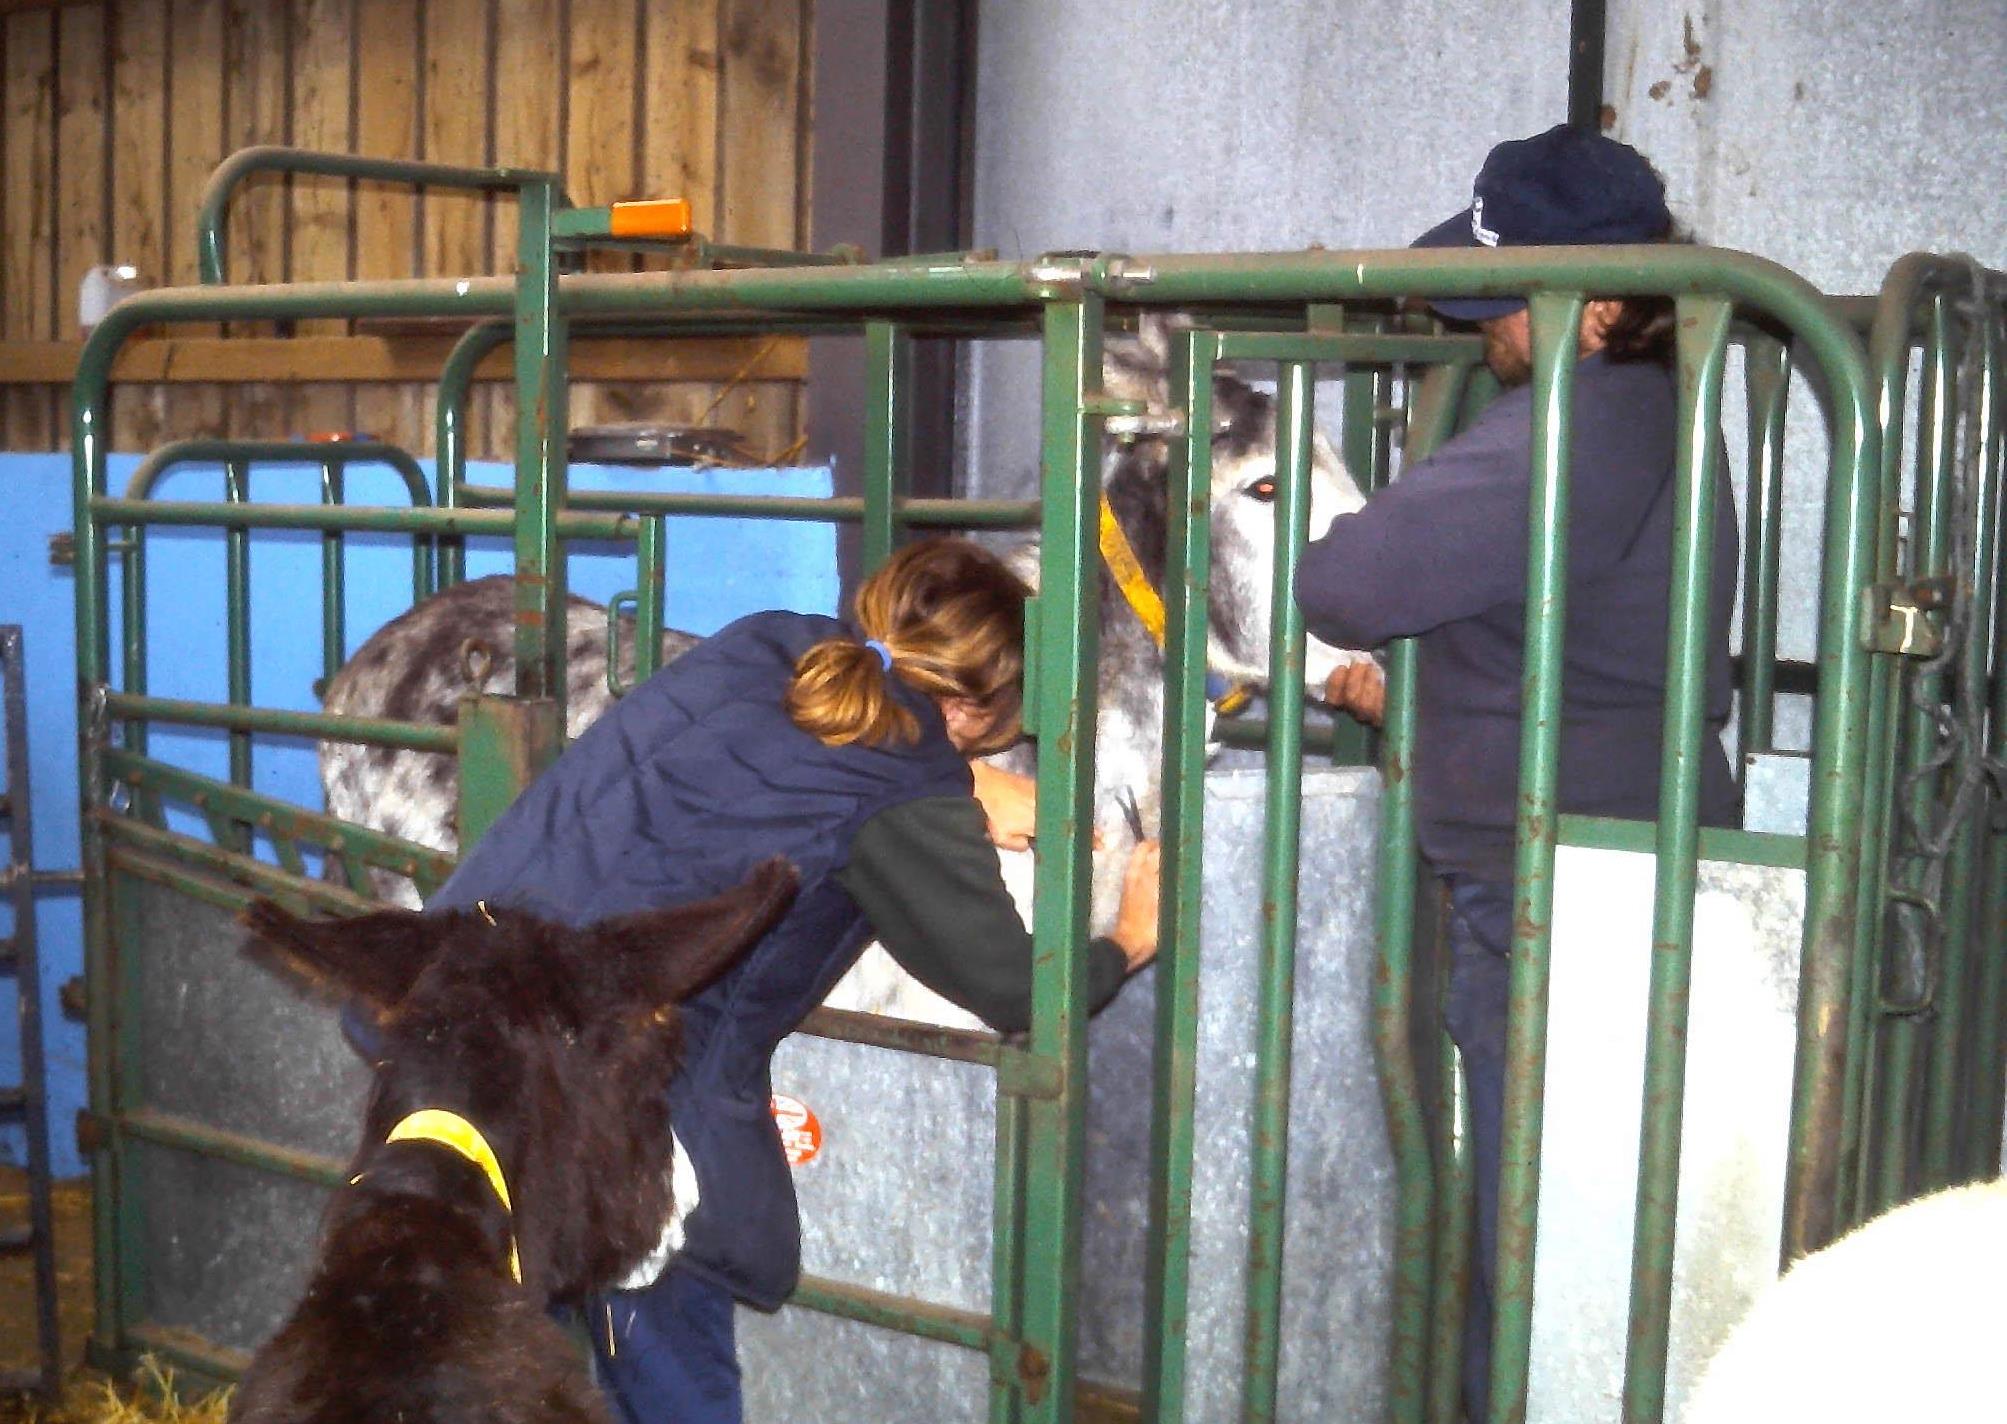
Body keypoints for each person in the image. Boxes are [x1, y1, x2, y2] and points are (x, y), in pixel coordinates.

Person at [422, 537, 1162, 1424]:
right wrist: (1129, 937)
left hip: (448, 1028)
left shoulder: (762, 644)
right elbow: (1013, 988)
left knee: (480, 1354)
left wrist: (959, 780)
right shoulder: (903, 790)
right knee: (670, 1367)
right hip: (608, 1100)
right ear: (971, 706)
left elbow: (787, 759)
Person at [1295, 125, 1740, 1422]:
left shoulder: (1582, 422)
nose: (1480, 326)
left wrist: (1402, 637)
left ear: (1597, 309)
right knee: (1552, 1240)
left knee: (1537, 1257)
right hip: (1589, 870)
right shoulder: (1638, 407)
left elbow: (1347, 580)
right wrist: (1431, 689)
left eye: (1508, 297)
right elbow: (1560, 622)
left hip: (1569, 897)